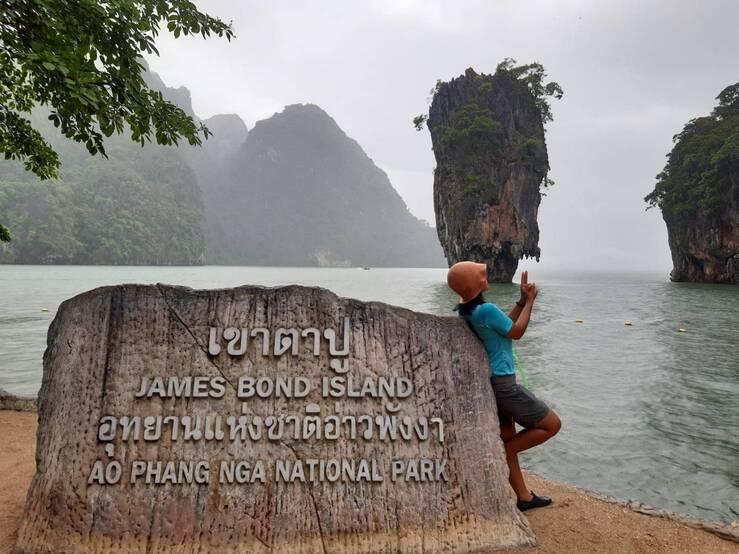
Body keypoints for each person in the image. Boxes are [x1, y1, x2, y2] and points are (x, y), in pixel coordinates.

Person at [447, 261, 561, 511]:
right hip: (504, 384)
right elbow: (517, 332)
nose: (486, 275)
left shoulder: (469, 310)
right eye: (482, 274)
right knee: (552, 425)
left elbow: (504, 329)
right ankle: (502, 452)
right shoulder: (485, 310)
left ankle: (523, 497)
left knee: (509, 433)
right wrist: (530, 301)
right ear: (474, 283)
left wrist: (519, 302)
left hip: (492, 383)